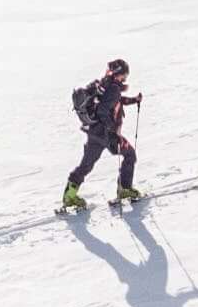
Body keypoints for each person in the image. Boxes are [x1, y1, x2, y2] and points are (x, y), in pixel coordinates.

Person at [61, 58, 145, 209]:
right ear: (120, 74)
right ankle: (124, 189)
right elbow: (103, 109)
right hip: (107, 135)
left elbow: (115, 101)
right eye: (125, 74)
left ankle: (69, 196)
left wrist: (134, 100)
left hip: (94, 133)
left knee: (86, 165)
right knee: (130, 154)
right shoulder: (114, 88)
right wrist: (112, 127)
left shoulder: (105, 84)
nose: (126, 77)